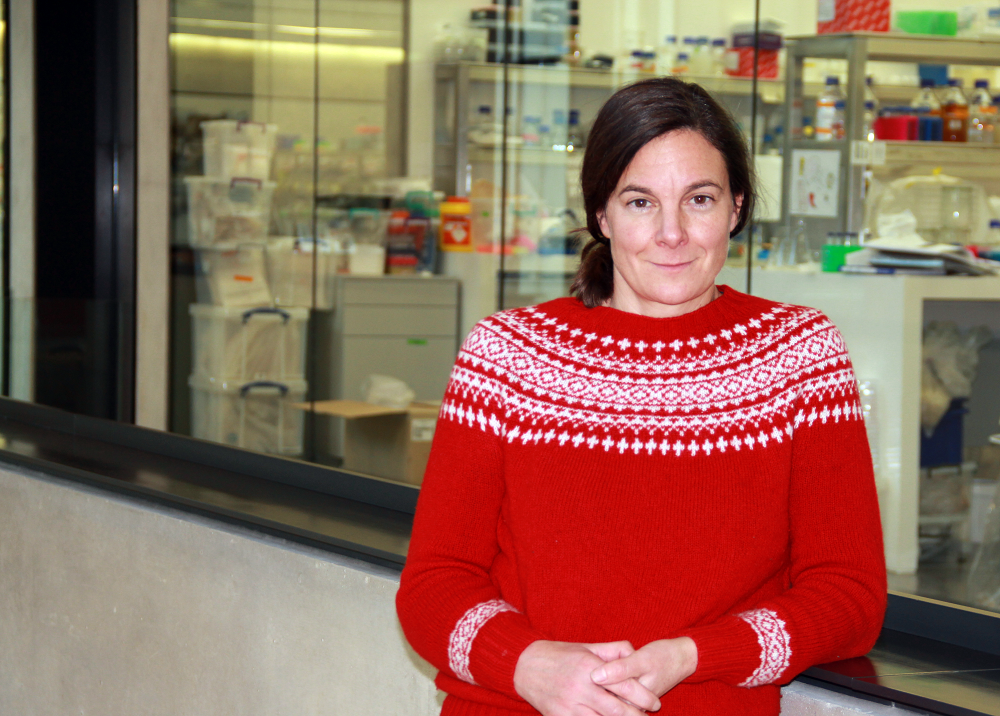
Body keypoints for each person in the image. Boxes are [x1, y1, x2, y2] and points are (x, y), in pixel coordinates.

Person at [396, 77, 886, 716]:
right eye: (640, 202)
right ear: (601, 214)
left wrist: (692, 656)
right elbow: (434, 587)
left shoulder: (800, 356)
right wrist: (527, 666)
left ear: (737, 206)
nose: (672, 233)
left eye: (699, 199)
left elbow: (849, 597)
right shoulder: (507, 356)